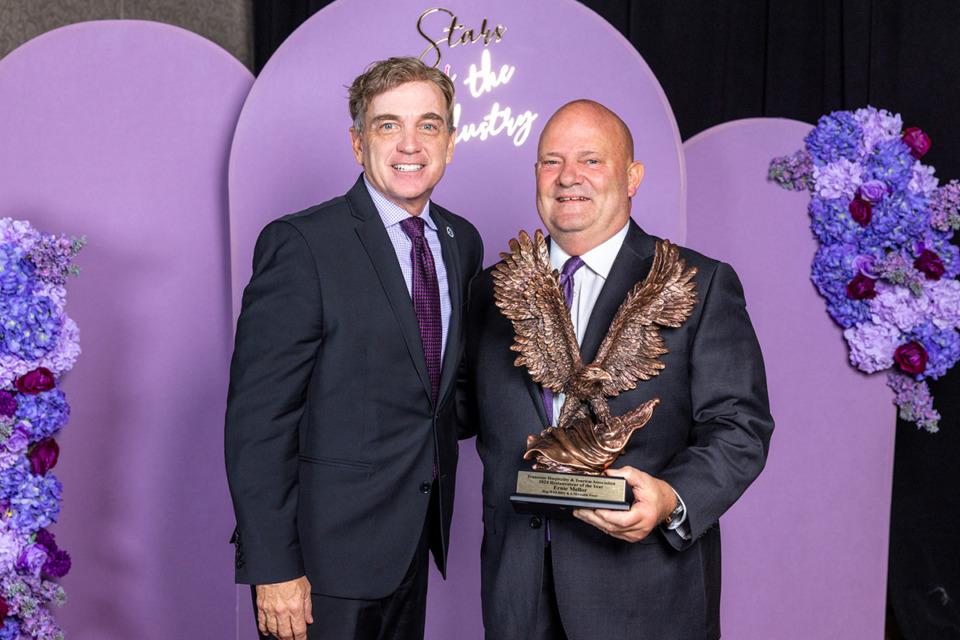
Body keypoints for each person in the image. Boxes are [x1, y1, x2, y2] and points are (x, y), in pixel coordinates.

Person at [462, 99, 774, 639]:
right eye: (551, 161)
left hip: (644, 597)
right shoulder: (490, 291)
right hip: (516, 595)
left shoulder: (700, 284)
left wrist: (670, 497)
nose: (567, 178)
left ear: (632, 177)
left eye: (591, 160)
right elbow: (451, 411)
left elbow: (740, 429)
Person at [224, 56, 483, 640]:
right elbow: (257, 423)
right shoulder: (302, 245)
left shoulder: (460, 241)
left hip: (413, 542)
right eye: (388, 125)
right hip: (320, 566)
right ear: (358, 141)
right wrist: (274, 569)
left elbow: (443, 394)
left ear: (451, 140)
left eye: (429, 125)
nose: (410, 144)